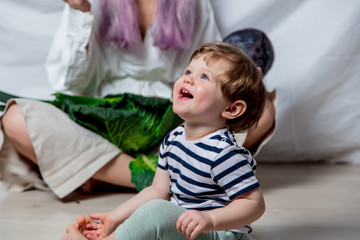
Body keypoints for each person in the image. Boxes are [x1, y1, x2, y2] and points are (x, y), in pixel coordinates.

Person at [0, 0, 274, 198]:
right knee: (15, 119)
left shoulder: (194, 3)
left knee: (263, 112)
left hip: (173, 123)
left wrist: (241, 79)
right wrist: (79, 11)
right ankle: (162, 181)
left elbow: (211, 74)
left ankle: (100, 175)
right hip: (101, 125)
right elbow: (68, 84)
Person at [62, 42, 266, 240]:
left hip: (217, 234)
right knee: (156, 214)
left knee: (158, 213)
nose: (188, 80)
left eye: (204, 76)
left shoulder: (223, 153)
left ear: (231, 109)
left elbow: (253, 203)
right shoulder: (174, 138)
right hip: (182, 230)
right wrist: (115, 217)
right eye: (188, 72)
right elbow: (157, 191)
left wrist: (210, 218)